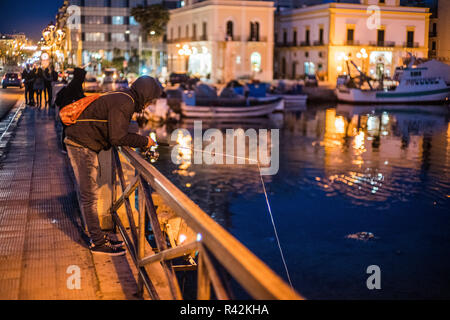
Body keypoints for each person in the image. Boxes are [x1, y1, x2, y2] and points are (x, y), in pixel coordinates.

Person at [65, 76, 161, 256]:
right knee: (89, 196)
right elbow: (117, 137)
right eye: (150, 100)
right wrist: (145, 141)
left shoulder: (124, 97)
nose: (149, 105)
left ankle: (98, 236)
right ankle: (98, 243)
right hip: (81, 144)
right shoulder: (125, 103)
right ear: (145, 96)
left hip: (82, 142)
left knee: (89, 194)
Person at [55, 67, 87, 153]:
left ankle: (66, 147)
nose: (84, 78)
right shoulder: (76, 84)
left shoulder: (74, 83)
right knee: (67, 128)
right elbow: (79, 97)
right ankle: (65, 148)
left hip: (66, 108)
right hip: (67, 110)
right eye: (83, 76)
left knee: (67, 128)